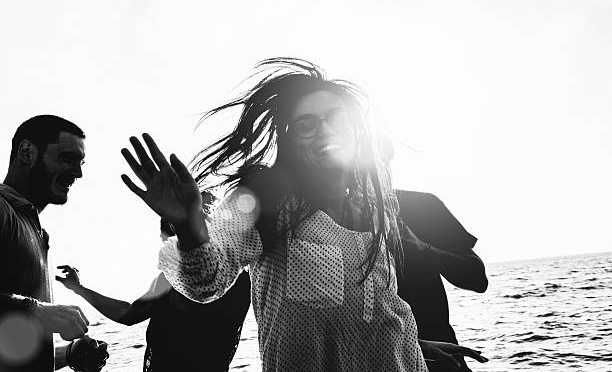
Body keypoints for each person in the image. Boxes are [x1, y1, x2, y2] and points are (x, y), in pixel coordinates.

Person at [119, 58, 487, 371]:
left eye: (335, 119)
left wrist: (413, 343)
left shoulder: (376, 209)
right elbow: (207, 281)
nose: (324, 130)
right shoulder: (266, 201)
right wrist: (187, 225)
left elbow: (371, 310)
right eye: (306, 125)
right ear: (290, 139)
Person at [56, 191, 251, 372]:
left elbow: (127, 315)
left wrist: (78, 288)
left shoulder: (174, 279)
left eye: (166, 241)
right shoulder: (242, 278)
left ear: (178, 236)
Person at [0, 115, 108, 371]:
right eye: (67, 158)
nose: (79, 173)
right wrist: (35, 311)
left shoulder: (37, 231)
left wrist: (68, 355)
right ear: (27, 152)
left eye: (81, 163)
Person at [395, 189, 488, 371]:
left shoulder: (419, 206)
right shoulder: (328, 210)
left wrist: (422, 250)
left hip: (443, 362)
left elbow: (477, 278)